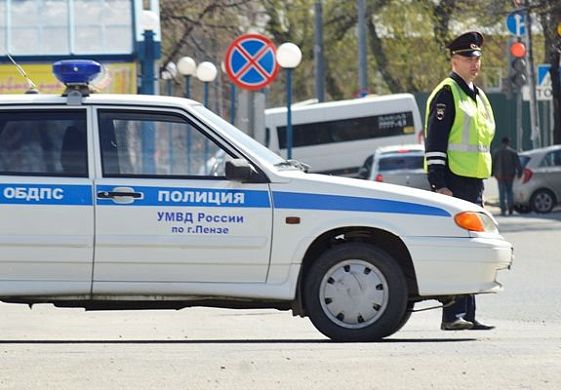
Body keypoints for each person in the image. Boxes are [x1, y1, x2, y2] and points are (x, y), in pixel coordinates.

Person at [424, 31, 496, 331]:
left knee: (474, 249)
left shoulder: (477, 95)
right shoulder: (447, 92)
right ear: (454, 59)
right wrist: (438, 183)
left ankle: (468, 312)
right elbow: (436, 142)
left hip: (474, 182)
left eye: (477, 57)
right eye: (468, 57)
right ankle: (452, 314)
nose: (474, 62)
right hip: (453, 182)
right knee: (458, 248)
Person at [492, 137, 522, 216]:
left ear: (502, 142)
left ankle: (503, 209)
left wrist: (492, 173)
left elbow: (493, 164)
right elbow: (518, 164)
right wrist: (520, 173)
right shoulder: (512, 152)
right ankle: (510, 208)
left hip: (500, 175)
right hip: (510, 175)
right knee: (509, 192)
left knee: (502, 193)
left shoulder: (497, 152)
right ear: (508, 142)